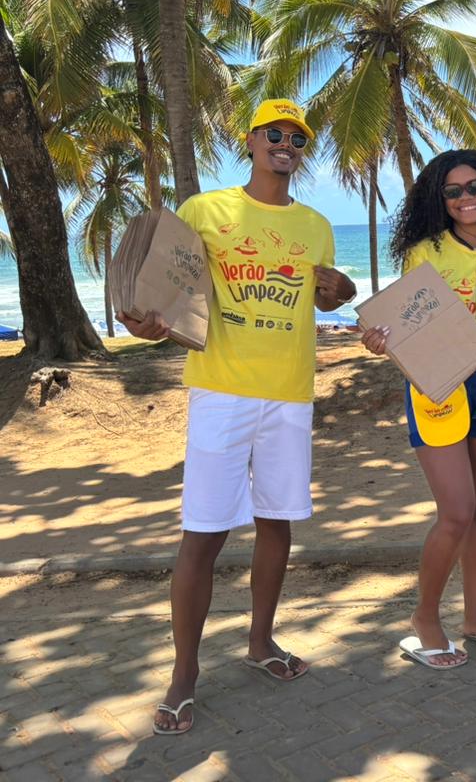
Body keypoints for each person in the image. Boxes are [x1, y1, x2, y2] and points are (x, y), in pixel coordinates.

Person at [121, 100, 357, 735]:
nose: (285, 144)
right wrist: (146, 325)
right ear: (250, 141)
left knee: (277, 522)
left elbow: (327, 292)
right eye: (274, 134)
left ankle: (260, 643)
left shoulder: (315, 225)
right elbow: (170, 308)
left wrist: (345, 291)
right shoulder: (204, 212)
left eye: (296, 138)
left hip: (289, 392)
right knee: (204, 531)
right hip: (221, 392)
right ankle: (184, 674)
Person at [362, 150, 476, 667]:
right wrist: (380, 340)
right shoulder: (425, 251)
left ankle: (475, 617)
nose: (466, 199)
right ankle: (425, 617)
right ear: (439, 200)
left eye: (475, 187)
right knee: (456, 511)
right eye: (453, 191)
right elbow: (404, 325)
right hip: (436, 388)